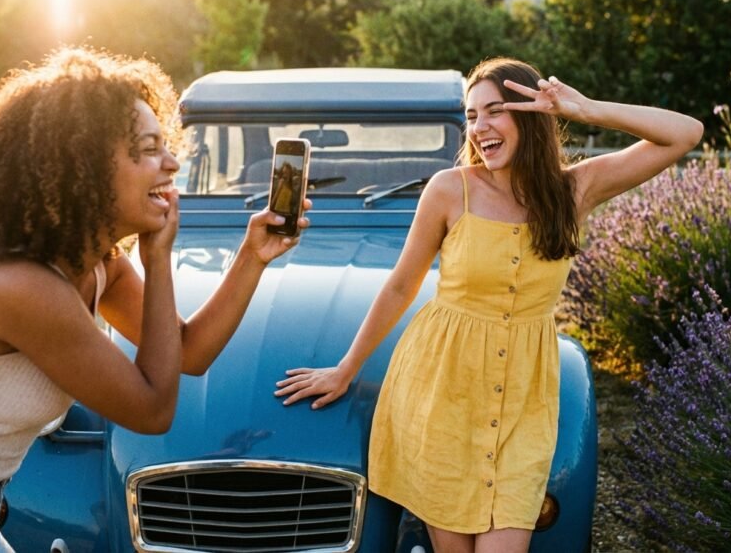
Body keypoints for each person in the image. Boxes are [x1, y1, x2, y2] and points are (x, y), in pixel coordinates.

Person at [274, 57, 702, 552]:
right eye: (472, 115)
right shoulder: (449, 191)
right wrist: (345, 369)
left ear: (530, 114)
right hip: (443, 391)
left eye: (494, 111)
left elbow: (684, 134)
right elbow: (400, 286)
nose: (480, 128)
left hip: (524, 399)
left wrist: (584, 109)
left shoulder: (573, 189)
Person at [0, 47, 308, 551]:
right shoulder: (19, 286)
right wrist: (158, 260)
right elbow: (151, 410)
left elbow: (189, 352)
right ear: (83, 165)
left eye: (167, 145)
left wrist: (252, 255)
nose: (173, 162)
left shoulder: (95, 263)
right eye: (149, 148)